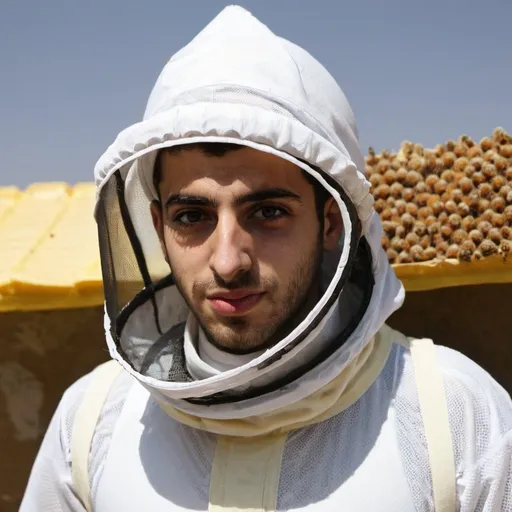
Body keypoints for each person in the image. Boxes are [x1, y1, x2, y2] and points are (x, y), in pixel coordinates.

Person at [21, 6, 512, 512]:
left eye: (269, 212)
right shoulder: (89, 422)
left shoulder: (459, 422)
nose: (229, 261)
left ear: (331, 222)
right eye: (192, 216)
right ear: (158, 224)